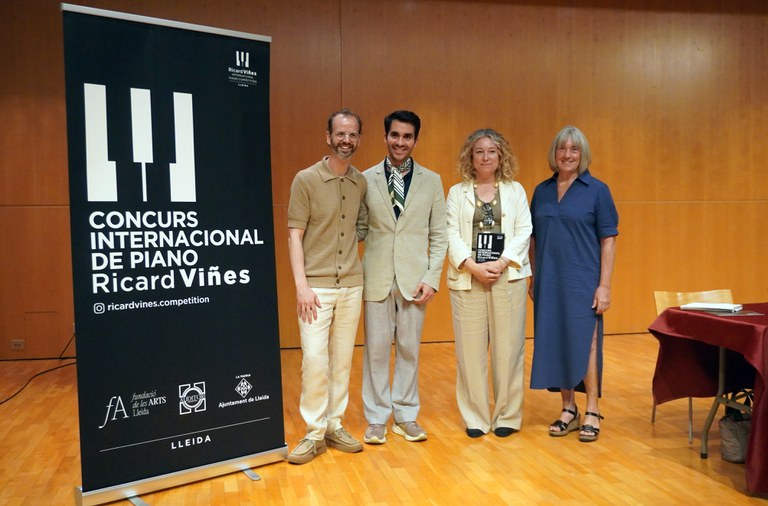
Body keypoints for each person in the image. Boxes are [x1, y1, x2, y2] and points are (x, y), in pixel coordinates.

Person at [357, 110, 447, 445]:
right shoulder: (366, 179)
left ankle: (406, 415)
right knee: (376, 352)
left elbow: (439, 235)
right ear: (385, 137)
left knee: (409, 349)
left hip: (415, 280)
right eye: (394, 135)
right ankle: (377, 418)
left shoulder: (432, 181)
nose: (400, 142)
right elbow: (360, 228)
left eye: (407, 137)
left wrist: (432, 277)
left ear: (415, 140)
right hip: (376, 277)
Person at [286, 109, 367, 464]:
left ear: (358, 139)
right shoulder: (305, 180)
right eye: (340, 134)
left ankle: (335, 425)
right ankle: (314, 431)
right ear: (328, 137)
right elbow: (294, 236)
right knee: (315, 360)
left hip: (351, 286)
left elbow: (361, 228)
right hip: (315, 289)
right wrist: (301, 287)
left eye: (352, 135)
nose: (346, 140)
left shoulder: (360, 182)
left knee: (342, 361)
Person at [528, 125, 618, 443]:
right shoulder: (541, 191)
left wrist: (604, 286)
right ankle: (569, 408)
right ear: (554, 153)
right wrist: (533, 275)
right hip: (548, 281)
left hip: (583, 280)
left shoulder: (597, 190)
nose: (567, 155)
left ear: (583, 154)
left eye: (574, 149)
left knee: (587, 344)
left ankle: (592, 408)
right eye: (562, 149)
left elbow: (608, 240)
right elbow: (534, 237)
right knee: (556, 341)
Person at [446, 128, 532, 438]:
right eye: (479, 151)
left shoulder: (515, 190)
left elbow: (524, 230)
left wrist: (499, 263)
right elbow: (450, 233)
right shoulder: (457, 192)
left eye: (491, 151)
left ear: (501, 156)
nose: (485, 157)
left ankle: (507, 415)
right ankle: (476, 418)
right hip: (468, 279)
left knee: (508, 349)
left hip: (507, 277)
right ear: (470, 157)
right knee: (470, 352)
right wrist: (472, 267)